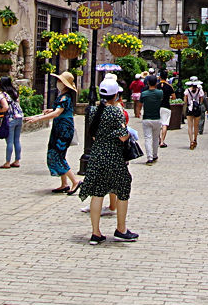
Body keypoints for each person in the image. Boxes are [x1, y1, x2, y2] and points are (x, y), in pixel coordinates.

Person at [77, 79, 137, 243]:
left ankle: (96, 233)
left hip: (97, 155)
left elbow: (94, 134)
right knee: (123, 187)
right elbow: (123, 136)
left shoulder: (93, 111)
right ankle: (121, 229)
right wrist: (128, 132)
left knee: (97, 192)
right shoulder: (116, 112)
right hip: (113, 155)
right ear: (116, 95)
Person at [27, 71, 80, 193]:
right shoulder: (63, 96)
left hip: (63, 129)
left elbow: (57, 113)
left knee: (57, 154)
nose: (58, 83)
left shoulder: (65, 97)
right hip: (59, 128)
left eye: (60, 81)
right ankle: (64, 183)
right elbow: (59, 110)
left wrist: (38, 118)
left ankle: (75, 181)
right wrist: (50, 110)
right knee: (59, 153)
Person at [138, 75, 165, 164]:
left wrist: (138, 112)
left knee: (147, 138)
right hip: (157, 118)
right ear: (156, 83)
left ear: (148, 83)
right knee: (156, 138)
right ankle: (155, 155)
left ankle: (149, 157)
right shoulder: (159, 93)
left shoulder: (144, 94)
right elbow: (161, 99)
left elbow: (140, 104)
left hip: (147, 118)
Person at [0, 76, 22, 168]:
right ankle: (17, 160)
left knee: (9, 141)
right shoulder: (14, 92)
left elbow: (5, 107)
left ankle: (7, 162)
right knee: (17, 140)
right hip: (19, 116)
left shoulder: (2, 94)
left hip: (10, 118)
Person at [183, 77, 206, 149]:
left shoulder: (187, 91)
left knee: (190, 126)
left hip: (189, 109)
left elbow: (185, 101)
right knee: (196, 126)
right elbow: (201, 101)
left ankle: (191, 141)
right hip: (197, 109)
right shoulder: (200, 91)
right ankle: (195, 139)